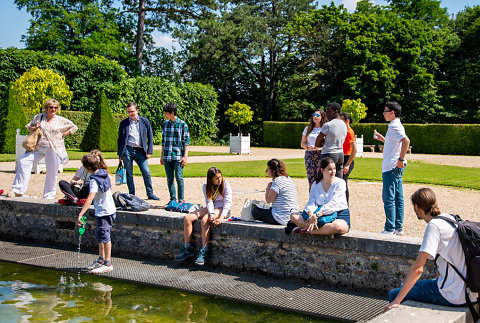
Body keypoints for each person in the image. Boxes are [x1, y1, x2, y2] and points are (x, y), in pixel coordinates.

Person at [384, 188, 479, 312]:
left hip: (454, 295)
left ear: (416, 207)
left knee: (394, 294)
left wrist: (397, 301)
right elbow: (449, 258)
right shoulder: (450, 219)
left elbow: (418, 268)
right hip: (470, 291)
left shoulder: (434, 226)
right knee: (409, 286)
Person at [11, 99, 77, 199]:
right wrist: (35, 127)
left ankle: (49, 196)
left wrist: (65, 133)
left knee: (52, 172)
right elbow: (28, 126)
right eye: (51, 107)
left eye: (55, 107)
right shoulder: (39, 117)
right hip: (37, 147)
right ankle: (18, 190)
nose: (53, 109)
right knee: (24, 162)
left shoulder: (60, 120)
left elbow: (74, 127)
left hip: (53, 148)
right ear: (46, 108)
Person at [175, 167, 232, 266]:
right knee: (187, 218)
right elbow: (209, 201)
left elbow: (228, 202)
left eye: (220, 177)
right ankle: (187, 248)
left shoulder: (225, 184)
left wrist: (221, 217)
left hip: (222, 208)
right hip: (212, 207)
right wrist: (211, 212)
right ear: (211, 180)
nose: (219, 180)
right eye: (216, 179)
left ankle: (204, 250)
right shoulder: (206, 186)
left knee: (204, 220)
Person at [373, 101, 410, 235]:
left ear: (392, 112)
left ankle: (390, 228)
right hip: (395, 165)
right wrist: (383, 139)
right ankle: (398, 228)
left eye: (385, 111)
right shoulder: (395, 125)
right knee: (398, 197)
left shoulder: (394, 126)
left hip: (392, 166)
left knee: (389, 198)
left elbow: (406, 141)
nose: (383, 113)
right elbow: (396, 143)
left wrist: (400, 160)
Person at [289, 157, 350, 237]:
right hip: (318, 215)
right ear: (322, 170)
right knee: (293, 216)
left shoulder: (340, 183)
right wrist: (311, 215)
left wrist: (317, 215)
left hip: (338, 214)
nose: (333, 172)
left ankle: (310, 231)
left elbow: (333, 203)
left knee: (338, 227)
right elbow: (311, 202)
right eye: (330, 169)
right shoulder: (316, 184)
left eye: (334, 169)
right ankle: (324, 230)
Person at [77, 153, 117, 274]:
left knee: (105, 237)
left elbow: (90, 198)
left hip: (105, 211)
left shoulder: (94, 180)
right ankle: (101, 260)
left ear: (87, 168)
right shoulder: (104, 173)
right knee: (101, 236)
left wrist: (81, 214)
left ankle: (108, 263)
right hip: (107, 210)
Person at [117, 102, 159, 200]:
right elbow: (119, 139)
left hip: (140, 151)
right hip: (127, 150)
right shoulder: (123, 123)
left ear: (137, 111)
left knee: (146, 172)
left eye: (132, 111)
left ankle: (150, 194)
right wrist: (120, 154)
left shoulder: (145, 121)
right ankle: (132, 194)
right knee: (129, 174)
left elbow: (150, 136)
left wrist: (149, 151)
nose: (130, 113)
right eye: (128, 112)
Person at [252, 159, 299, 226]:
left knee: (255, 211)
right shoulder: (289, 179)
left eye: (267, 170)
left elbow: (268, 200)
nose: (265, 171)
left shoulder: (277, 181)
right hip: (292, 215)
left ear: (273, 171)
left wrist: (268, 187)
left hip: (280, 217)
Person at [161, 103, 190, 203]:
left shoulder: (183, 124)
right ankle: (172, 199)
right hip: (167, 156)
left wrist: (185, 156)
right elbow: (163, 141)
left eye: (166, 113)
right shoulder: (165, 124)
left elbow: (186, 142)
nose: (165, 115)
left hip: (178, 157)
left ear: (172, 113)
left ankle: (181, 199)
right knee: (169, 179)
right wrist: (162, 156)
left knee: (179, 178)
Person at [314, 102, 347, 179]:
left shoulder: (327, 125)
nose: (326, 114)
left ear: (336, 112)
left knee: (323, 178)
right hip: (340, 154)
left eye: (329, 111)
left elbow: (317, 142)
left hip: (328, 153)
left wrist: (322, 143)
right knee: (339, 180)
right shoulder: (343, 124)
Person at [301, 109, 327, 189]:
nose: (315, 117)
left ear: (322, 116)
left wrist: (319, 148)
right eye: (314, 115)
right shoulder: (308, 128)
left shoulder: (325, 128)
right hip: (310, 155)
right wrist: (308, 147)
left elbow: (329, 144)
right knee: (311, 179)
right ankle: (312, 198)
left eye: (318, 115)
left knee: (321, 177)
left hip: (321, 155)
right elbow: (302, 143)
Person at [339, 112, 357, 204]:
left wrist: (347, 165)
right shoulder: (343, 131)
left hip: (347, 159)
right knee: (340, 182)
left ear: (347, 121)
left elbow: (354, 150)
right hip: (342, 157)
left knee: (343, 182)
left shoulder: (349, 132)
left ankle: (345, 204)